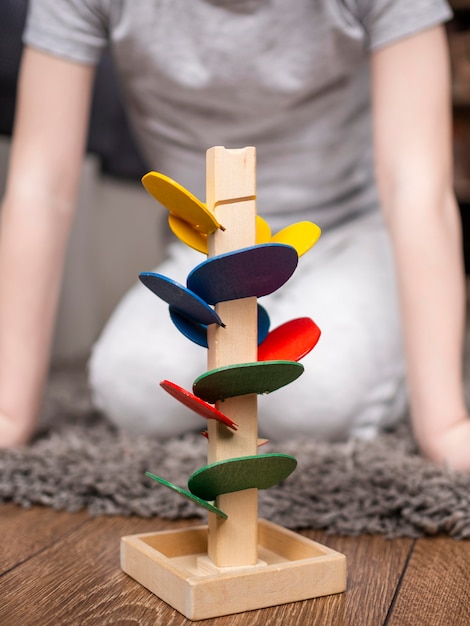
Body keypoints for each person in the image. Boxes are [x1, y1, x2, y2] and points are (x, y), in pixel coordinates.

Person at [0, 0, 469, 471]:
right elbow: (41, 188)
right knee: (131, 387)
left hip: (350, 235)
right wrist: (8, 413)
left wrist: (444, 425)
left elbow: (417, 188)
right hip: (210, 249)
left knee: (314, 398)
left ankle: (388, 353)